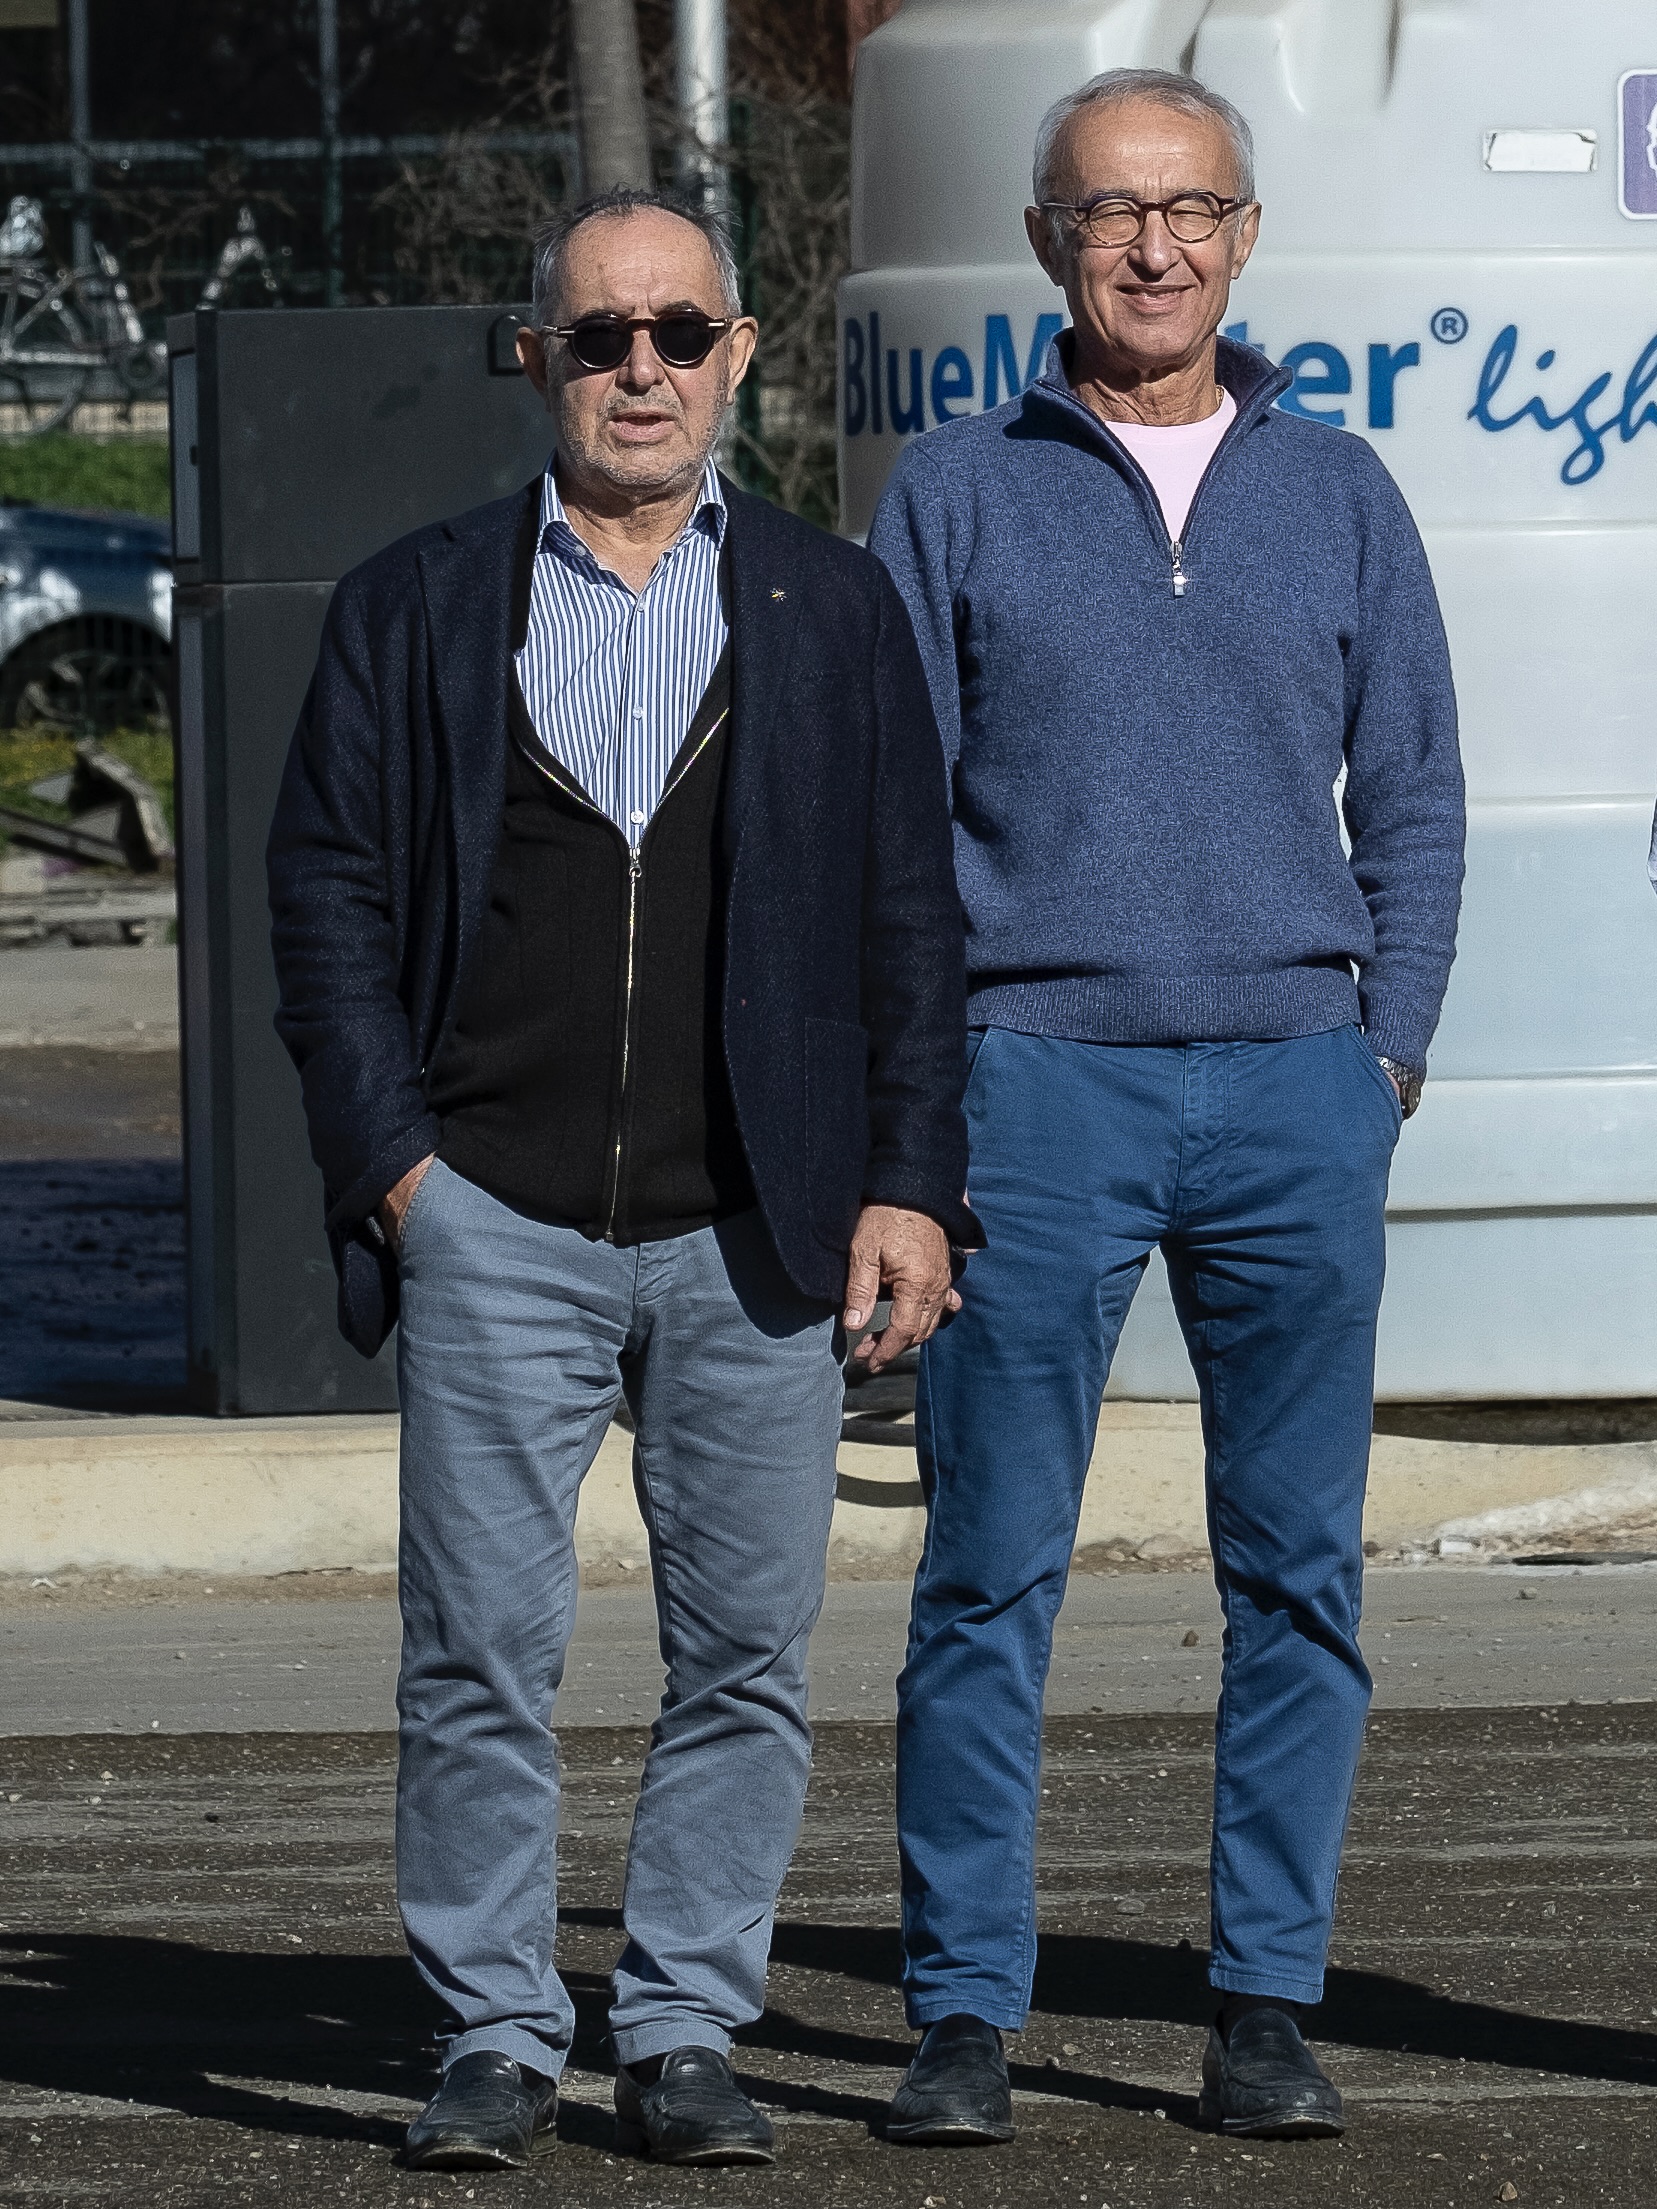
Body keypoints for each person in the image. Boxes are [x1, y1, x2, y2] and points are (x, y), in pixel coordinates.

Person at [268, 187, 979, 2173]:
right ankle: (494, 2028)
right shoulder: (414, 603)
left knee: (745, 1656)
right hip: (489, 1211)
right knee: (477, 1650)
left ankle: (679, 2028)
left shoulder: (833, 610)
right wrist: (395, 1169)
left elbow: (911, 919)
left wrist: (910, 1178)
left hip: (759, 1219)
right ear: (538, 362)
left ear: (739, 354)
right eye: (601, 337)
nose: (642, 368)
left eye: (679, 331)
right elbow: (322, 901)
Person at [869, 68, 1464, 2142]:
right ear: (1046, 244)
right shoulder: (952, 490)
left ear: (1242, 233)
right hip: (1032, 1088)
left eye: (1190, 209)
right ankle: (959, 2006)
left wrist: (1380, 1057)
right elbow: (887, 825)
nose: (1152, 247)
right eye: (1111, 212)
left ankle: (1264, 2000)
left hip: (1297, 1091)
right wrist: (921, 1120)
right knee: (987, 1569)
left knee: (1298, 1570)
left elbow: (1412, 801)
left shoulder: (1342, 493)